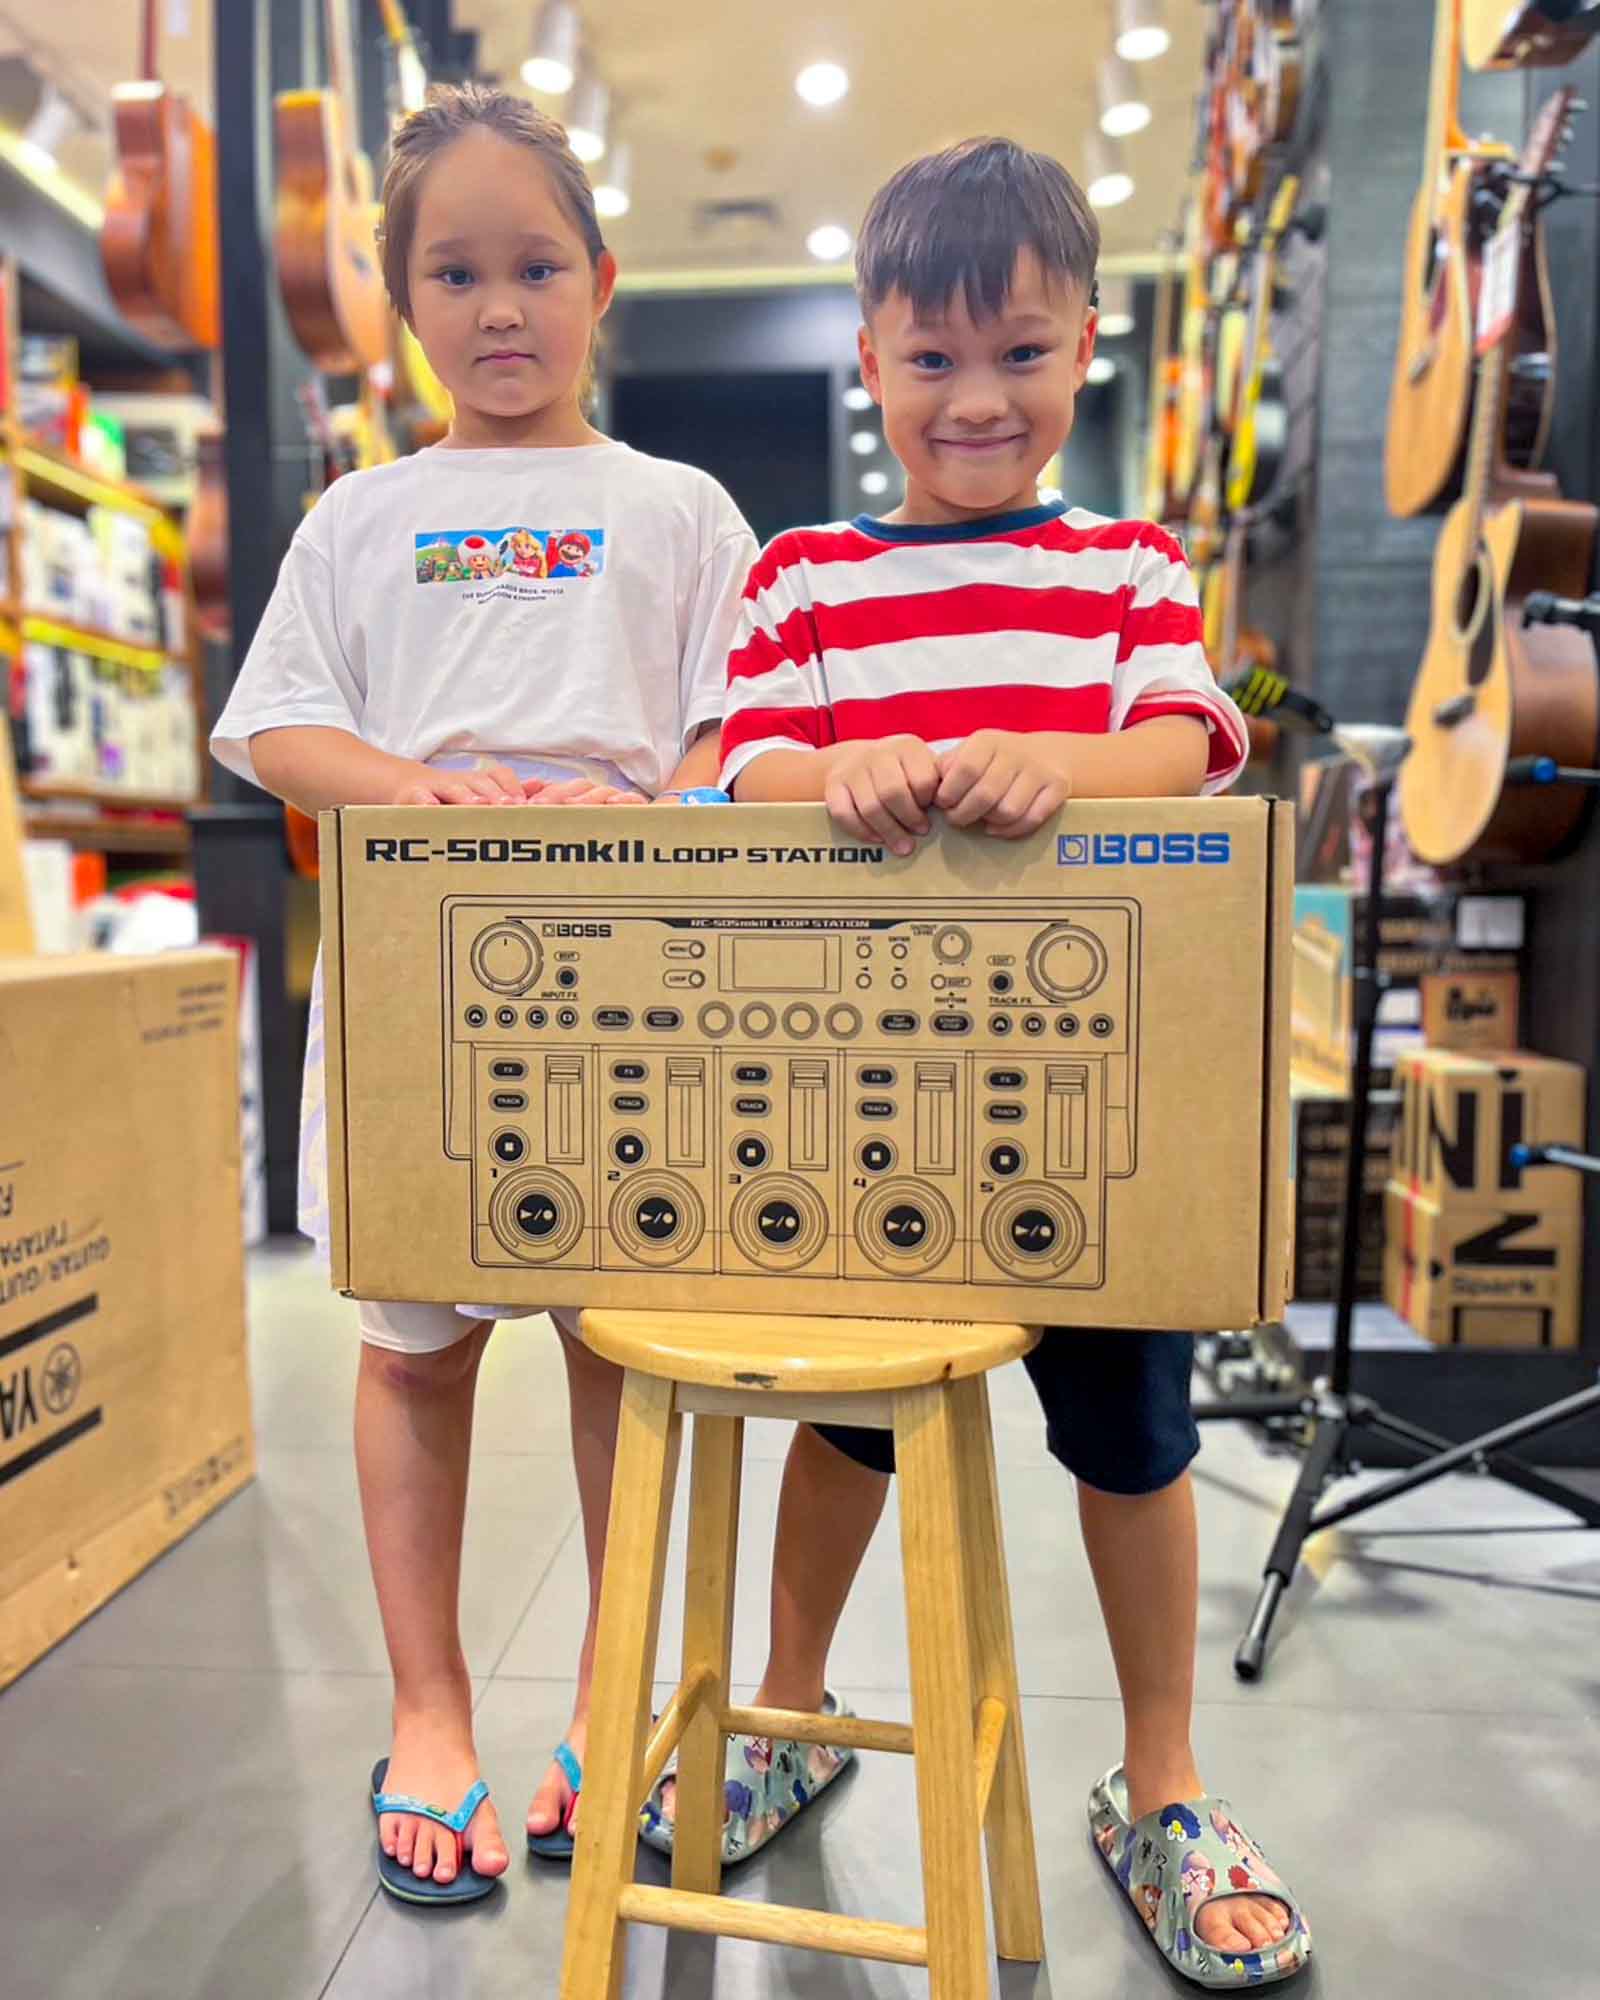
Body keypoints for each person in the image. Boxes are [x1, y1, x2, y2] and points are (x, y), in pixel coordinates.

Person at [639, 138, 1312, 1991]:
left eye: (1020, 352)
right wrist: (835, 769)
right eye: (931, 360)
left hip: (1100, 1107)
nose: (977, 398)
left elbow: (1186, 743)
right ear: (869, 358)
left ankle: (1164, 1779)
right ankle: (788, 1707)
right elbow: (746, 768)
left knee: (1137, 1436)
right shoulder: (804, 580)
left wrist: (1047, 766)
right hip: (860, 1104)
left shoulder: (1126, 568)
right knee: (849, 1417)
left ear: (1087, 344)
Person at [210, 83, 755, 1903]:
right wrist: (408, 784)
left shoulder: (677, 508)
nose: (501, 307)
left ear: (603, 281)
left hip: (636, 987)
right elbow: (277, 727)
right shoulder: (363, 518)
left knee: (616, 1345)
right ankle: (430, 1709)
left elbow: (742, 730)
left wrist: (659, 805)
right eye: (455, 273)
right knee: (413, 1350)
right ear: (401, 303)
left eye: (537, 267)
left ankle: (609, 1697)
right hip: (414, 985)